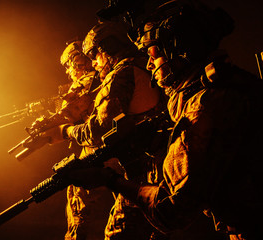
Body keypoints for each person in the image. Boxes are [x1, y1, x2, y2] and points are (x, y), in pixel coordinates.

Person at [66, 1, 263, 240]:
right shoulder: (229, 84)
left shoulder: (205, 106)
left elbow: (171, 211)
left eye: (154, 54)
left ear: (179, 51)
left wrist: (109, 179)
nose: (149, 64)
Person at [46, 21, 165, 240]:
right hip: (155, 167)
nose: (94, 64)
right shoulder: (144, 65)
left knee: (118, 233)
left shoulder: (120, 75)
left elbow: (98, 130)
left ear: (107, 50)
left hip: (139, 171)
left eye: (95, 56)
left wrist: (66, 131)